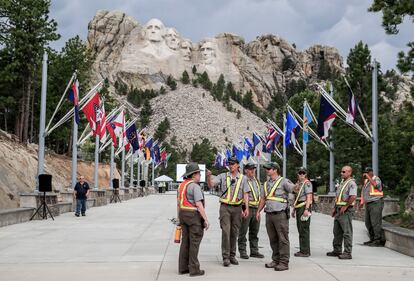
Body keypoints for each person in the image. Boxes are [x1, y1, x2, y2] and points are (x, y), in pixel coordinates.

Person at [207, 156, 250, 267]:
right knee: (226, 231)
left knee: (234, 232)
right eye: (229, 163)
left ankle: (232, 255)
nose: (231, 165)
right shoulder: (222, 176)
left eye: (233, 164)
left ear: (237, 165)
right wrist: (208, 177)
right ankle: (225, 257)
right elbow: (211, 184)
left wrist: (246, 209)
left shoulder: (243, 178)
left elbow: (246, 194)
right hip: (225, 208)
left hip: (237, 208)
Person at [256, 162, 295, 271]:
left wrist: (299, 184)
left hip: (280, 214)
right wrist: (258, 211)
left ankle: (284, 262)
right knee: (273, 238)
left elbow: (293, 189)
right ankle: (276, 259)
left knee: (283, 238)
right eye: (266, 169)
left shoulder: (284, 181)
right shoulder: (266, 183)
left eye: (269, 169)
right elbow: (263, 199)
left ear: (275, 170)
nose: (267, 170)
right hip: (269, 214)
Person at [177, 163, 209, 277]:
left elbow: (178, 204)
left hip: (183, 215)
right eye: (199, 173)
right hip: (193, 216)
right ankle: (194, 269)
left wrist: (178, 219)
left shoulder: (181, 186)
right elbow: (199, 204)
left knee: (185, 242)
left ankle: (183, 267)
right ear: (194, 174)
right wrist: (206, 219)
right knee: (194, 242)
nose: (200, 175)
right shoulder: (195, 186)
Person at [326, 165, 357, 260]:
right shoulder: (343, 183)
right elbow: (338, 197)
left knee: (347, 232)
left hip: (346, 211)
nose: (341, 173)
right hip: (339, 210)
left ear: (349, 172)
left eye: (344, 172)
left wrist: (346, 206)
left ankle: (347, 252)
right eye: (341, 171)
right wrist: (335, 208)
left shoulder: (351, 183)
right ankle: (337, 250)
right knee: (337, 231)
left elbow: (353, 196)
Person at [238, 161, 264, 259]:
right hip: (246, 208)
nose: (252, 171)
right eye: (250, 169)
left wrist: (259, 210)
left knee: (254, 231)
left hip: (256, 208)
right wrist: (242, 208)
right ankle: (242, 251)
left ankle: (254, 251)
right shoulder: (242, 180)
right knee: (243, 231)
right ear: (246, 170)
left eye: (253, 169)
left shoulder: (256, 180)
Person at [359, 167, 384, 247]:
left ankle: (378, 240)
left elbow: (376, 185)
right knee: (367, 222)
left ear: (371, 172)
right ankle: (372, 239)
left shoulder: (376, 179)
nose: (365, 173)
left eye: (367, 172)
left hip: (376, 202)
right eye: (365, 172)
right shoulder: (366, 181)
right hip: (368, 203)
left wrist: (368, 177)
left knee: (375, 222)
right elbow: (363, 191)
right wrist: (362, 202)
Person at [291, 167, 313, 257]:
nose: (302, 175)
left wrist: (306, 209)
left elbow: (309, 197)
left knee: (304, 229)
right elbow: (296, 197)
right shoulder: (298, 184)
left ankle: (305, 251)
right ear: (297, 174)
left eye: (303, 173)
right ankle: (302, 249)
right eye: (300, 173)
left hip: (304, 207)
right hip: (299, 207)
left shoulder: (307, 184)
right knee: (300, 229)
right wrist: (294, 209)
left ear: (306, 174)